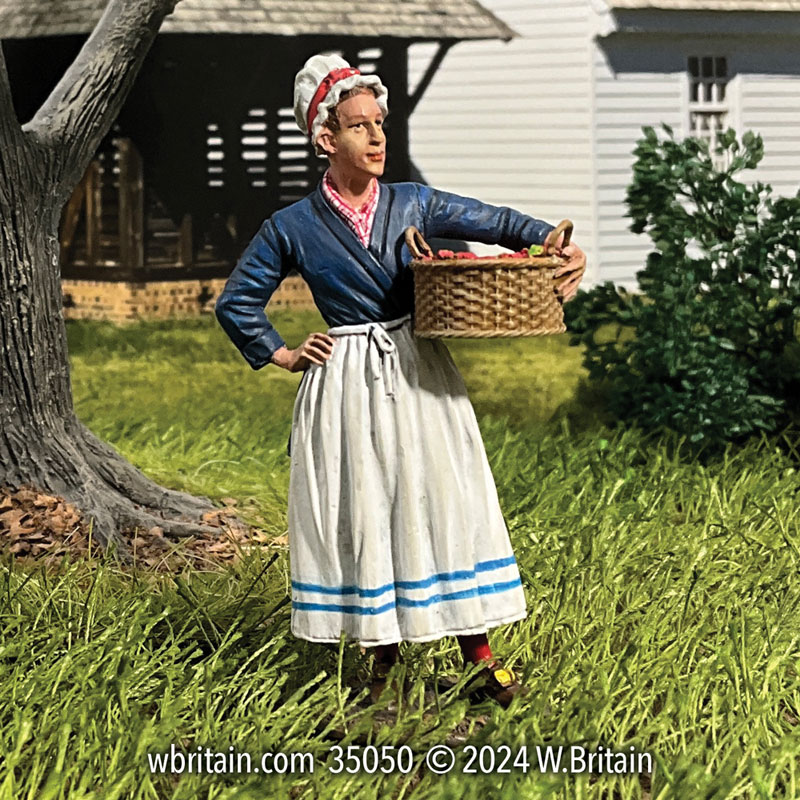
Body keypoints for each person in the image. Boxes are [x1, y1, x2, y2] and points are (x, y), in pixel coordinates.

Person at [215, 53, 587, 708]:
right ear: (327, 139)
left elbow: (492, 222)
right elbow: (236, 302)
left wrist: (551, 239)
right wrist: (281, 354)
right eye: (360, 127)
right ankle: (381, 668)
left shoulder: (414, 201)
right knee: (373, 511)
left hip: (419, 372)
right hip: (348, 384)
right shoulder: (293, 226)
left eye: (381, 123)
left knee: (446, 501)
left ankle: (480, 659)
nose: (378, 137)